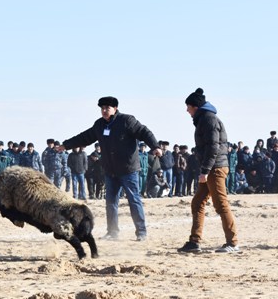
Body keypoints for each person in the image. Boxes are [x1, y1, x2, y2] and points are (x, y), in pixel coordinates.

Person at [60, 96, 162, 241]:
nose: (104, 110)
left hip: (128, 170)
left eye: (107, 108)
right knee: (111, 203)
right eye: (102, 108)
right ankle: (112, 232)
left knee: (134, 200)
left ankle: (141, 232)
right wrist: (66, 145)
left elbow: (144, 132)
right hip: (111, 171)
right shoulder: (99, 125)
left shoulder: (127, 121)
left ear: (115, 108)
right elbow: (85, 137)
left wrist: (155, 146)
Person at [177, 88, 239, 253]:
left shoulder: (208, 120)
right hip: (211, 167)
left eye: (188, 107)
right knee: (197, 203)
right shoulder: (203, 119)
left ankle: (233, 243)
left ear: (195, 107)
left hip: (215, 168)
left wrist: (205, 170)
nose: (187, 110)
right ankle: (194, 242)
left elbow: (213, 147)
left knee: (221, 205)